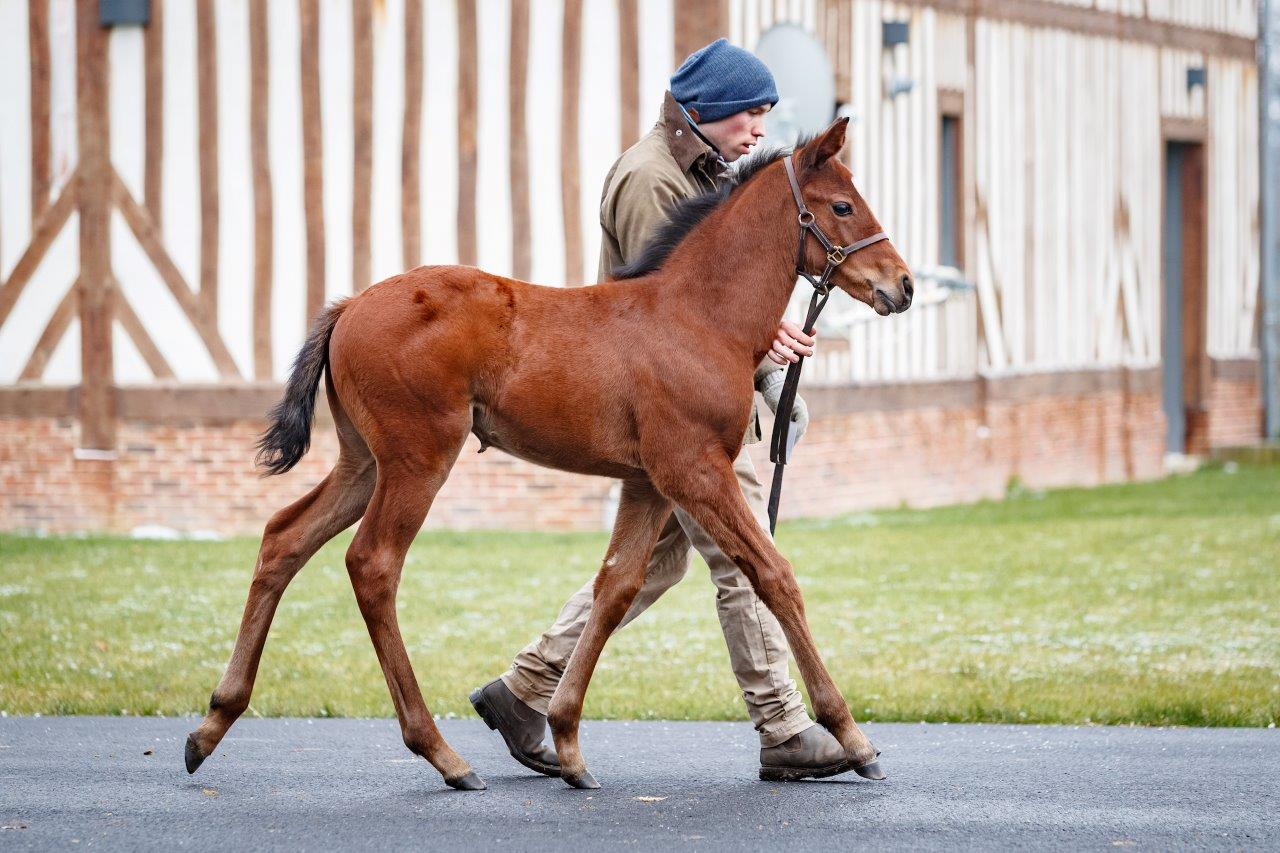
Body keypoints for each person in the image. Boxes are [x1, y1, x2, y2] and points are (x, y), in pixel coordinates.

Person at [470, 38, 854, 781]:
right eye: (750, 112)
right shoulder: (651, 178)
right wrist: (767, 353)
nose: (760, 128)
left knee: (650, 565)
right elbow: (675, 317)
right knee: (749, 559)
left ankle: (524, 689)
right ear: (706, 110)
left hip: (685, 411)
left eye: (768, 113)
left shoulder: (698, 170)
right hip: (670, 410)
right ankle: (782, 725)